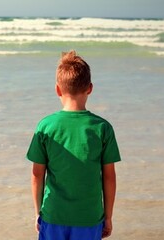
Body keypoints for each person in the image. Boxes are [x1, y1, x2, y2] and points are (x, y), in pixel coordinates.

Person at [26, 50, 121, 240]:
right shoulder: (102, 128)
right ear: (90, 88)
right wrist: (108, 217)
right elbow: (109, 177)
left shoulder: (46, 126)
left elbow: (37, 174)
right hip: (89, 217)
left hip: (53, 215)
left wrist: (38, 213)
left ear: (58, 89)